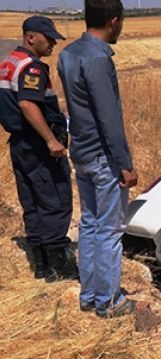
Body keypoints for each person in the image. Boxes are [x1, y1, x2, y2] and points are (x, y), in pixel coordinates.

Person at [57, 0, 137, 318]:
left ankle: (89, 295)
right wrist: (125, 164)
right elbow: (108, 118)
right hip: (104, 157)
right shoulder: (99, 59)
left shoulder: (68, 54)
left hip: (82, 152)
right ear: (114, 22)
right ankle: (109, 301)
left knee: (89, 224)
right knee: (110, 229)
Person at [0, 16, 77, 282]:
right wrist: (50, 140)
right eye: (49, 37)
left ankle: (41, 264)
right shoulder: (31, 67)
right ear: (31, 37)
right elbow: (28, 105)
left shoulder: (8, 64)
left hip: (20, 144)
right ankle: (60, 267)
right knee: (55, 201)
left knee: (31, 201)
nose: (54, 42)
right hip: (38, 146)